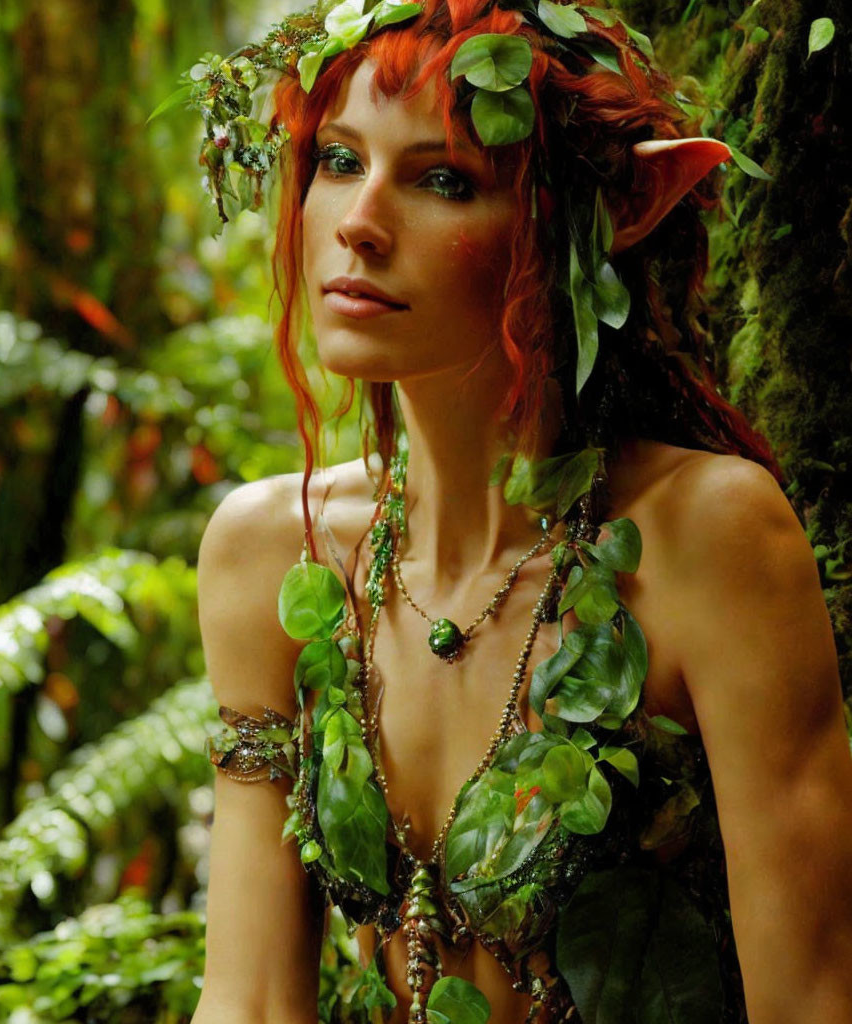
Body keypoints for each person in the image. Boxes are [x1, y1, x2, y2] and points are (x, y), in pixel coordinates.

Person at [184, 1, 852, 1021]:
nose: (359, 223)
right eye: (337, 159)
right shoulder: (268, 551)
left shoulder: (708, 538)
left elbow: (808, 1001)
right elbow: (249, 1004)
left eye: (442, 178)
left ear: (574, 222)